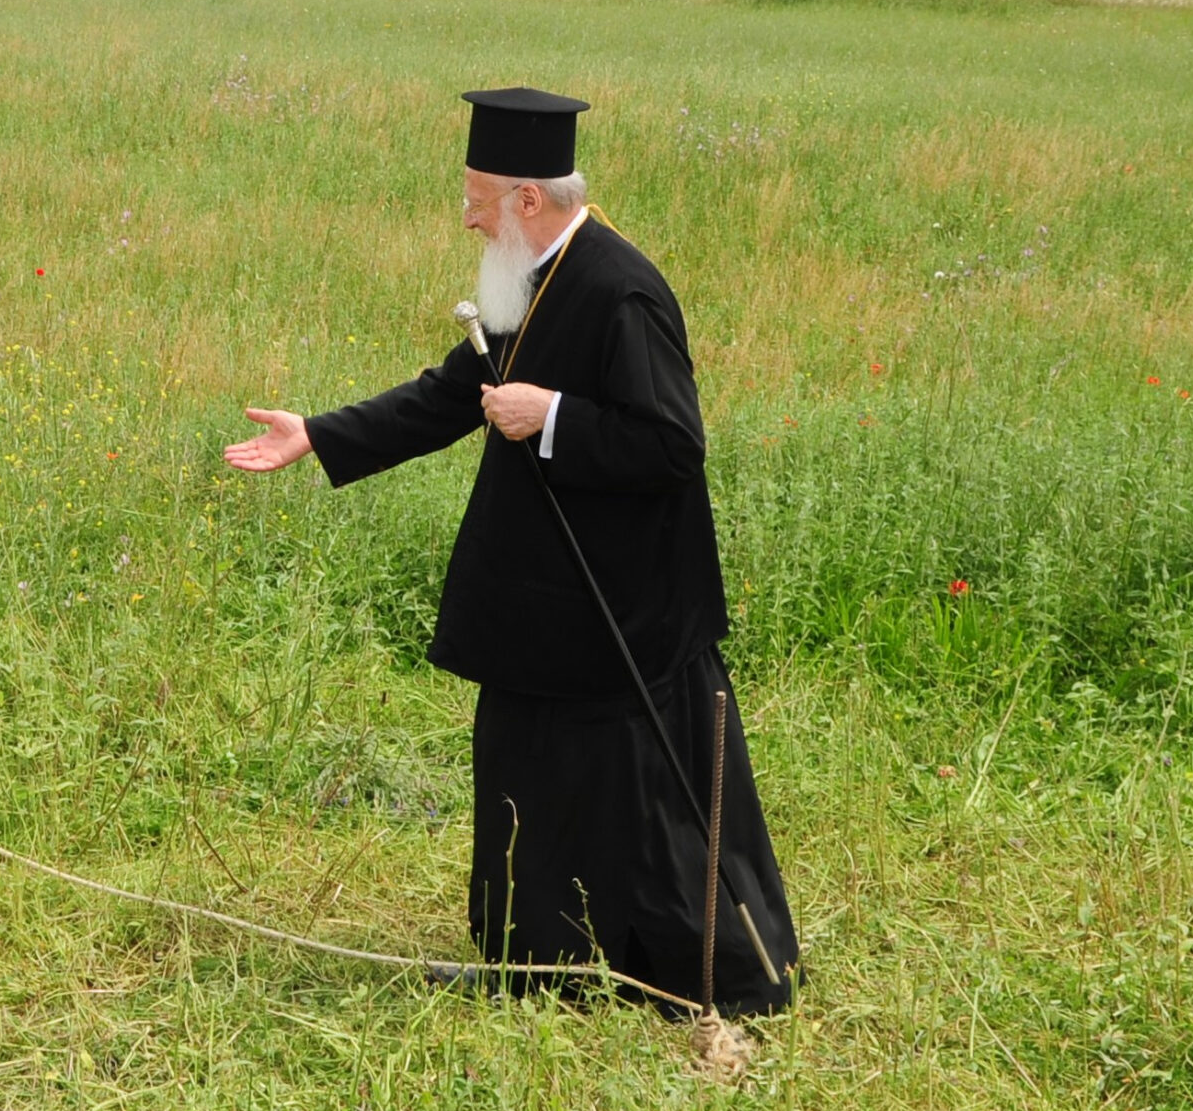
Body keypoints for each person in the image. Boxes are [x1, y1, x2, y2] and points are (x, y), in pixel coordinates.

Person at [224, 87, 797, 1013]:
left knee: (633, 803)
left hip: (624, 622)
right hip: (545, 612)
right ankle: (537, 968)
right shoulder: (523, 279)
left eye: (478, 197)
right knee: (529, 780)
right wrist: (320, 434)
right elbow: (453, 393)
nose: (467, 215)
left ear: (530, 199)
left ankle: (697, 975)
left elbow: (673, 443)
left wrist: (555, 415)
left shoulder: (622, 289)